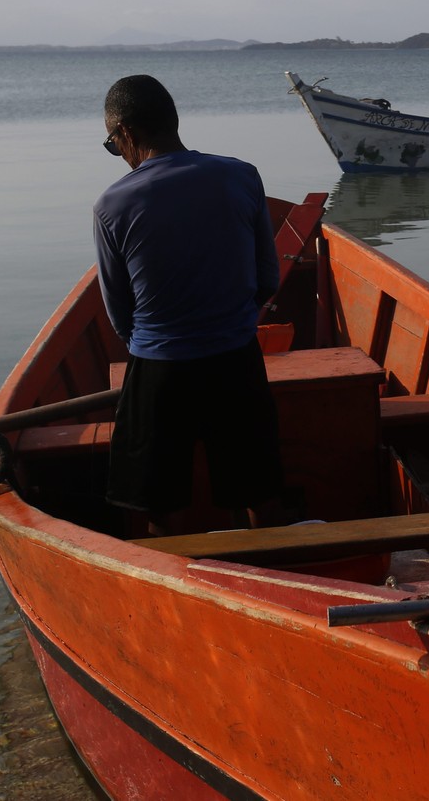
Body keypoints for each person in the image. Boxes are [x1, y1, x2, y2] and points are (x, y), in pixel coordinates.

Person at [93, 74, 286, 534]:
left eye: (112, 144)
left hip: (160, 371)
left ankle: (180, 583)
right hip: (236, 361)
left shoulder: (112, 205)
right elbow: (266, 281)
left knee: (161, 506)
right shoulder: (242, 176)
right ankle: (278, 575)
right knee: (259, 492)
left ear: (127, 135)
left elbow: (120, 314)